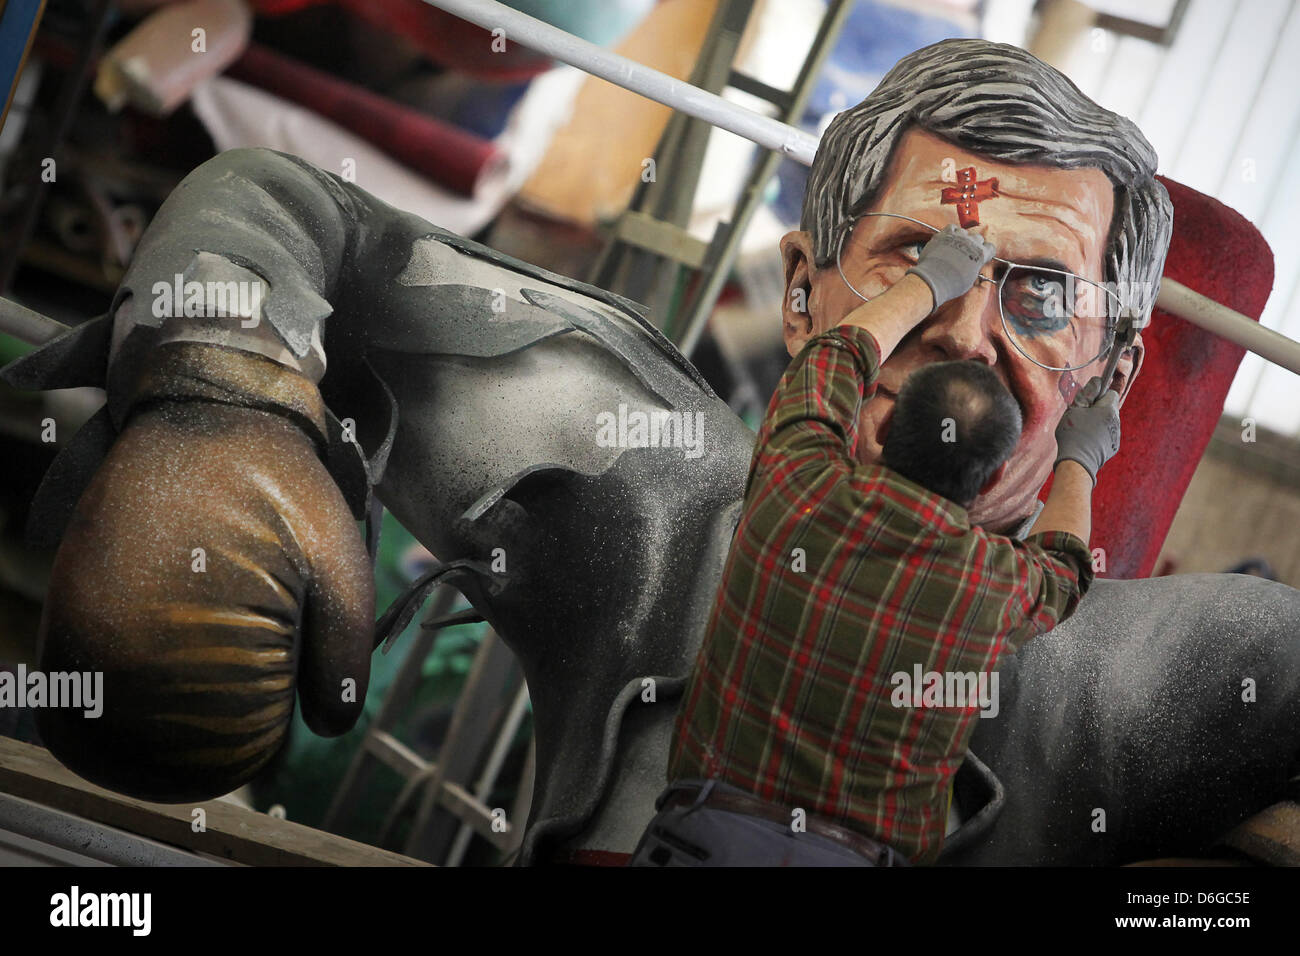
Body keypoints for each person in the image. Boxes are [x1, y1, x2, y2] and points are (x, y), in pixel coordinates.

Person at [628, 225, 1121, 866]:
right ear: (995, 476)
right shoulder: (995, 588)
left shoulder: (795, 484)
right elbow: (1065, 564)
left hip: (701, 838)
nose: (967, 336)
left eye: (1040, 299)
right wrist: (1081, 454)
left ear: (883, 422)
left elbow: (831, 357)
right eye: (908, 248)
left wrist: (930, 279)